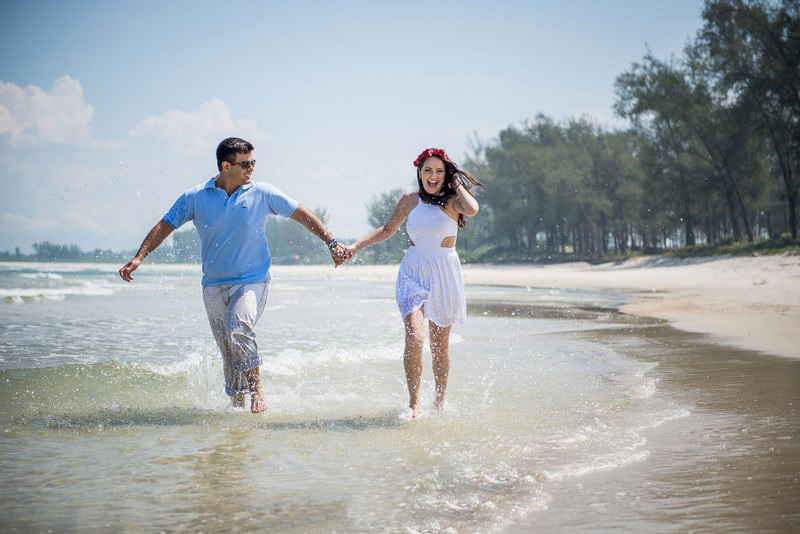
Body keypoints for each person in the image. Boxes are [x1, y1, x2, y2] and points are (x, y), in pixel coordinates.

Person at [119, 137, 350, 413]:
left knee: (239, 330)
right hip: (213, 286)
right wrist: (139, 257)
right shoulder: (195, 197)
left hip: (253, 281)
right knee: (228, 349)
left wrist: (331, 242)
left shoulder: (262, 193)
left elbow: (300, 213)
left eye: (253, 162)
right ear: (226, 166)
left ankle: (257, 391)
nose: (251, 167)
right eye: (245, 163)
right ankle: (237, 407)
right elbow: (165, 225)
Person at [344, 148, 482, 418]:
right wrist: (356, 247)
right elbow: (387, 230)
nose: (433, 177)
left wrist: (455, 182)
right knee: (415, 336)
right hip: (413, 271)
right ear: (419, 172)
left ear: (446, 175)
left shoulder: (454, 202)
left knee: (439, 345)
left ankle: (440, 401)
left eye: (439, 171)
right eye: (428, 170)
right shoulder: (410, 201)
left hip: (444, 272)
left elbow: (473, 209)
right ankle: (414, 403)